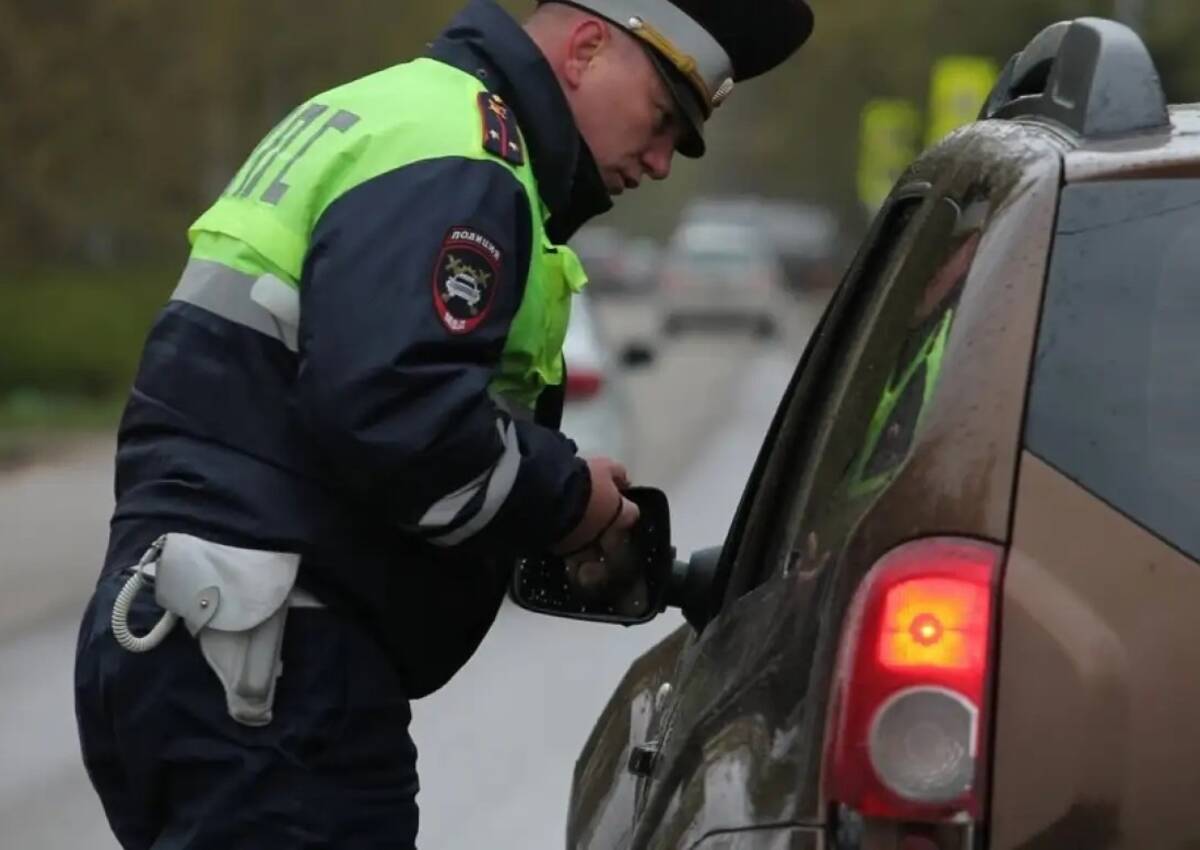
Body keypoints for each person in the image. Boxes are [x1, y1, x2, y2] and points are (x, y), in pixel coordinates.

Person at [73, 0, 815, 846]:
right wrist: (576, 504)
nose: (658, 164)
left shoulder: (389, 110)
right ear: (585, 47)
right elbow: (398, 417)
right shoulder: (465, 156)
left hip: (193, 639)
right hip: (272, 674)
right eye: (659, 121)